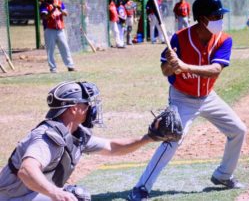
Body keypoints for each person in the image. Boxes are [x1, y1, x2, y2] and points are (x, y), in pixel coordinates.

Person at [128, 0, 247, 201]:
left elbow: (215, 69)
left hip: (208, 97)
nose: (220, 19)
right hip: (182, 97)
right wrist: (170, 64)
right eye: (216, 15)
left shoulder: (224, 39)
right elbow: (165, 72)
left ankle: (223, 175)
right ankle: (141, 187)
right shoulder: (179, 38)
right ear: (202, 19)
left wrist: (185, 66)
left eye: (220, 15)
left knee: (238, 130)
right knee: (173, 138)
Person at [0, 80, 155, 200]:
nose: (91, 108)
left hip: (29, 195)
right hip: (11, 198)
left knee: (76, 196)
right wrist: (55, 193)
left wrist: (150, 137)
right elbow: (26, 170)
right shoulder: (47, 137)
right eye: (87, 104)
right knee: (75, 196)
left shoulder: (75, 134)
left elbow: (111, 146)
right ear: (74, 109)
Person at [40, 0, 75, 73]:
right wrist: (52, 9)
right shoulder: (44, 5)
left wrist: (59, 8)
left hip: (60, 29)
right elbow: (44, 17)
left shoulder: (59, 3)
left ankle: (70, 66)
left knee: (65, 48)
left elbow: (66, 13)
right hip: (49, 30)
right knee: (50, 50)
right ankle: (53, 68)